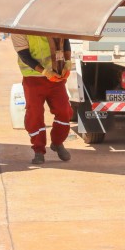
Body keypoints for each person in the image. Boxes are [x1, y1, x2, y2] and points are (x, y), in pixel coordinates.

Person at [11, 34, 73, 164]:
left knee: (64, 111)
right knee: (34, 114)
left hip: (56, 75)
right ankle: (38, 150)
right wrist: (44, 72)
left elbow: (64, 40)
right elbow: (24, 55)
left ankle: (57, 143)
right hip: (33, 77)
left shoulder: (51, 20)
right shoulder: (18, 29)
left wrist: (67, 61)